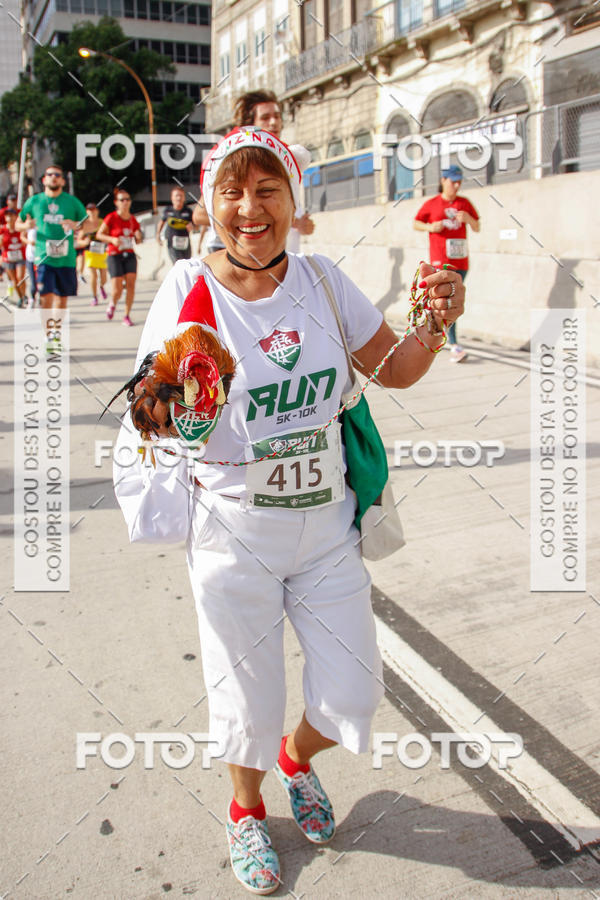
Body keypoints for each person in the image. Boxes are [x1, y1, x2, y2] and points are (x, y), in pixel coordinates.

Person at [113, 130, 464, 895]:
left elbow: (392, 367)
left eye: (268, 189)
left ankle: (297, 760)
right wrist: (178, 410)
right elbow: (150, 411)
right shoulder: (184, 291)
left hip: (326, 525)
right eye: (232, 192)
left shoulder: (322, 281)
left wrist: (433, 324)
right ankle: (246, 812)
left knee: (352, 694)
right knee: (248, 697)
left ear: (293, 201)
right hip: (233, 531)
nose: (250, 208)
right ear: (211, 203)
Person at [192, 90, 315, 254]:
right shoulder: (235, 161)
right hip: (230, 255)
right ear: (250, 124)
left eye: (277, 116)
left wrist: (299, 223)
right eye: (265, 118)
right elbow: (199, 215)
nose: (273, 122)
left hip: (275, 257)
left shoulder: (286, 159)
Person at [414, 164, 480, 363]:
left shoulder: (464, 203)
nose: (457, 186)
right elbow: (416, 223)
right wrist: (430, 226)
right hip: (440, 261)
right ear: (443, 181)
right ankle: (453, 344)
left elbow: (477, 227)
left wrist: (468, 219)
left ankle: (435, 335)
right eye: (453, 182)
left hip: (461, 260)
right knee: (448, 300)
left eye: (459, 182)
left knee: (450, 301)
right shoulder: (432, 204)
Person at [16, 165, 87, 350]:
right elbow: (17, 224)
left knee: (62, 299)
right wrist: (26, 225)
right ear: (44, 180)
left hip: (66, 259)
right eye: (49, 175)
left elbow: (91, 224)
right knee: (45, 296)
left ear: (62, 180)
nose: (53, 178)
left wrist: (77, 225)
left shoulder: (71, 202)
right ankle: (49, 335)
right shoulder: (34, 201)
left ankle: (56, 331)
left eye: (57, 175)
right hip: (43, 257)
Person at [96, 188, 142, 326]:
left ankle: (126, 315)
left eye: (128, 199)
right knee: (117, 289)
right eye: (122, 200)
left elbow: (138, 237)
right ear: (116, 202)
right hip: (114, 254)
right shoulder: (111, 217)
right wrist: (112, 239)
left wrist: (138, 237)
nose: (126, 202)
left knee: (131, 284)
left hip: (129, 254)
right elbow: (99, 235)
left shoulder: (133, 219)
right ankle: (112, 303)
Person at [77, 202, 108, 306]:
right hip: (90, 253)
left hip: (102, 252)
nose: (92, 212)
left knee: (104, 277)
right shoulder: (85, 224)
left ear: (97, 211)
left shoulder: (102, 222)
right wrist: (84, 242)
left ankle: (102, 287)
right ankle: (94, 297)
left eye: (93, 210)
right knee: (93, 275)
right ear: (86, 212)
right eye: (89, 210)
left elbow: (108, 234)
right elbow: (79, 240)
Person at [156, 186, 194, 265]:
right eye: (176, 196)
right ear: (172, 198)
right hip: (172, 243)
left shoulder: (188, 211)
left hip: (185, 243)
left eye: (181, 196)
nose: (179, 198)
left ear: (184, 198)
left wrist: (192, 227)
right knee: (178, 264)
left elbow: (195, 225)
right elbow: (161, 222)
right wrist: (158, 235)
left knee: (187, 265)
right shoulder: (168, 210)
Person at [0, 208, 27, 306]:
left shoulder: (20, 228)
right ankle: (21, 298)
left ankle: (24, 296)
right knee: (14, 280)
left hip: (20, 257)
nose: (9, 217)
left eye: (11, 215)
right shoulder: (2, 230)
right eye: (7, 216)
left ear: (16, 217)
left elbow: (25, 239)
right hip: (8, 258)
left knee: (20, 277)